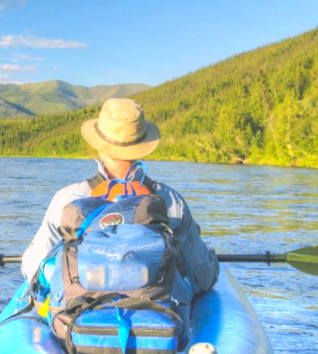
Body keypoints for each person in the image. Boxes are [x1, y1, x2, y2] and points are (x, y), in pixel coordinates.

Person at [21, 98, 219, 315]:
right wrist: (211, 260)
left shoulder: (67, 199)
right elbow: (203, 278)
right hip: (155, 320)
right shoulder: (171, 202)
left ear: (98, 147)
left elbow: (33, 268)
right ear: (143, 149)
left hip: (80, 319)